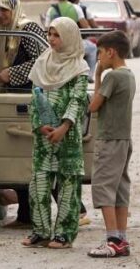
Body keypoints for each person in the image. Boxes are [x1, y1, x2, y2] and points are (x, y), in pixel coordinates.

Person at [20, 17, 89, 249]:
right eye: (49, 34)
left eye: (57, 35)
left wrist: (64, 127)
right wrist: (39, 125)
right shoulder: (42, 62)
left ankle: (64, 235)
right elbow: (34, 98)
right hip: (44, 137)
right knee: (38, 184)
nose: (51, 39)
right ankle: (40, 232)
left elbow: (78, 101)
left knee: (68, 186)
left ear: (69, 37)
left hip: (67, 137)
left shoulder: (79, 67)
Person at [0, 0, 47, 227]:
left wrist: (12, 73)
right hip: (12, 101)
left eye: (4, 9)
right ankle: (25, 215)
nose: (0, 14)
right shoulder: (2, 31)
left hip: (31, 99)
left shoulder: (28, 28)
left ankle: (77, 210)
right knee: (17, 156)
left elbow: (44, 61)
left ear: (14, 9)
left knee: (33, 156)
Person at [86, 30, 136, 258]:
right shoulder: (129, 75)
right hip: (124, 139)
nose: (98, 58)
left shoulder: (113, 77)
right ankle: (122, 239)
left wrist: (97, 75)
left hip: (109, 139)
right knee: (120, 188)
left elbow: (93, 106)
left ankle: (113, 240)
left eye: (100, 52)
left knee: (104, 186)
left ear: (111, 52)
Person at [68, 0, 98, 77]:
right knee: (93, 48)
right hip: (77, 43)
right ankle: (90, 75)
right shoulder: (80, 9)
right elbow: (90, 27)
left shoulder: (55, 9)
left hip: (60, 43)